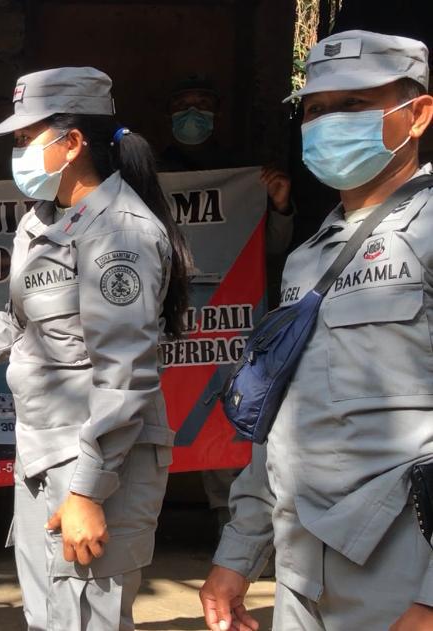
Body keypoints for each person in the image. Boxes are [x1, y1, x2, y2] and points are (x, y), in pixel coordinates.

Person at [0, 67, 192, 631]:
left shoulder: (119, 234)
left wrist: (88, 491)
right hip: (41, 454)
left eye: (26, 138)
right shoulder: (41, 222)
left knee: (87, 619)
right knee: (49, 617)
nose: (18, 152)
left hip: (100, 463)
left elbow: (125, 376)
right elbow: (18, 323)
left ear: (73, 142)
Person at [199, 30, 433, 631]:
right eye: (316, 110)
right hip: (303, 570)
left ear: (418, 114)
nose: (328, 122)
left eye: (353, 105)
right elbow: (281, 424)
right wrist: (238, 556)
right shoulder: (306, 260)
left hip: (404, 571)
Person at [159, 76, 295, 537]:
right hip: (162, 320)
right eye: (183, 104)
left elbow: (271, 250)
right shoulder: (147, 172)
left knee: (220, 418)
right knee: (153, 414)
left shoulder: (245, 173)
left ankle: (232, 529)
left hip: (224, 324)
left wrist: (278, 205)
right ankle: (137, 528)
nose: (192, 113)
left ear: (216, 114)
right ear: (169, 113)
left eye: (201, 104)